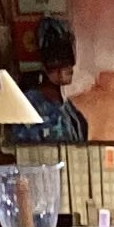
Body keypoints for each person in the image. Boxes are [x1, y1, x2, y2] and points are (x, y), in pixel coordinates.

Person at [13, 16, 88, 145]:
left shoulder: (69, 110)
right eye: (58, 59)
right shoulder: (29, 105)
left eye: (68, 60)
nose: (69, 67)